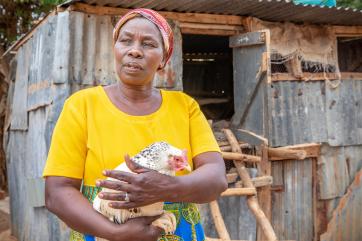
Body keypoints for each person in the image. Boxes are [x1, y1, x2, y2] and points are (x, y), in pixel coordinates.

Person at [43, 8, 227, 241]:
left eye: (148, 44)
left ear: (163, 58)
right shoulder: (82, 105)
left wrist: (165, 187)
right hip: (101, 232)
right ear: (116, 49)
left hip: (176, 232)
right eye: (125, 41)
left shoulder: (185, 107)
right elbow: (57, 192)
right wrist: (116, 233)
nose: (135, 51)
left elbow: (216, 178)